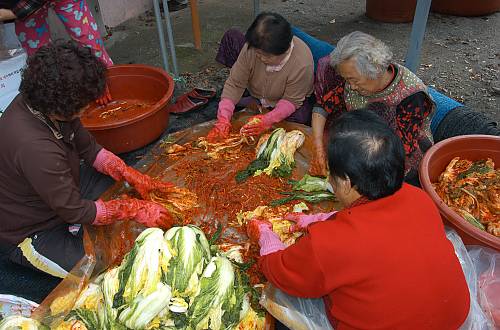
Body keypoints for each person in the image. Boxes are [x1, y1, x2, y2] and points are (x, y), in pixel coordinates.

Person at [247, 110, 470, 329]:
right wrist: (322, 219)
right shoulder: (419, 198)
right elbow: (375, 230)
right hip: (454, 316)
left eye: (330, 173)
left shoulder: (329, 243)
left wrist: (266, 235)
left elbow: (280, 271)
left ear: (344, 182)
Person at [0, 41, 174, 278]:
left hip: (65, 185)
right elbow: (72, 210)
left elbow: (88, 148)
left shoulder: (48, 103)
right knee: (103, 264)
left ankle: (89, 222)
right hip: (33, 229)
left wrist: (124, 171)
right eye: (85, 104)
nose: (91, 106)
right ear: (63, 106)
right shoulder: (35, 147)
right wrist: (131, 209)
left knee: (126, 189)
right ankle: (66, 238)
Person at [310, 31, 434, 185]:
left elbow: (401, 151)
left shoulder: (411, 95)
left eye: (354, 80)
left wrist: (354, 167)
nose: (351, 87)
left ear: (375, 69)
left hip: (399, 164)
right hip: (363, 147)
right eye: (347, 80)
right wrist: (318, 146)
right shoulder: (353, 80)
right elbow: (322, 106)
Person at [207, 12, 314, 140]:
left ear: (284, 51)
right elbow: (235, 83)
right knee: (232, 37)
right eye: (258, 53)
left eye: (267, 56)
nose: (262, 58)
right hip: (256, 93)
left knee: (298, 121)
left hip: (284, 100)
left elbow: (291, 100)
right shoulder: (252, 48)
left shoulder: (302, 62)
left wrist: (268, 119)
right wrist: (223, 118)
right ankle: (252, 103)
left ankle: (257, 107)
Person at [0, 0, 112, 104]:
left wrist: (98, 77)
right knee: (38, 56)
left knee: (88, 40)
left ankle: (110, 81)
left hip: (26, 6)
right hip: (18, 5)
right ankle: (58, 100)